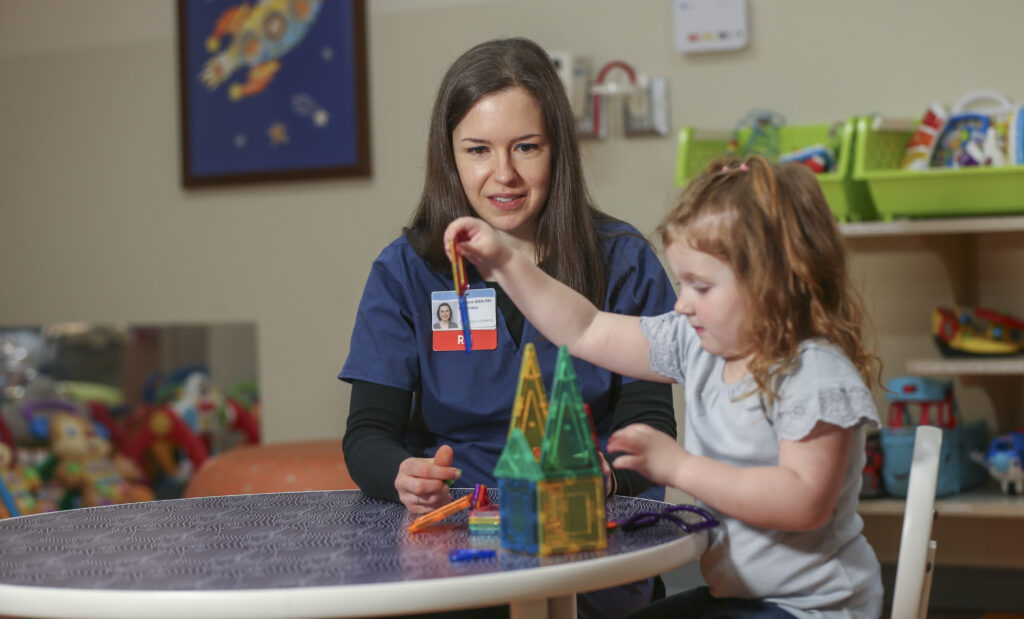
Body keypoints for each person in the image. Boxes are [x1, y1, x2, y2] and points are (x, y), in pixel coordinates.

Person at [445, 155, 885, 618]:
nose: (681, 303)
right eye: (681, 283)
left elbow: (803, 503)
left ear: (774, 282)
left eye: (701, 286)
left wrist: (680, 468)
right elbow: (586, 328)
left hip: (815, 610)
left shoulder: (814, 374)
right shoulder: (696, 346)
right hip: (740, 602)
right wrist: (503, 262)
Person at [339, 37, 678, 617]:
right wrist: (403, 476)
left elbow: (650, 422)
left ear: (558, 151)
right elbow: (367, 433)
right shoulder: (404, 270)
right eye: (477, 150)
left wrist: (608, 477)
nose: (504, 175)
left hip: (586, 541)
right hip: (456, 553)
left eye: (526, 147)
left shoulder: (622, 260)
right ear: (449, 155)